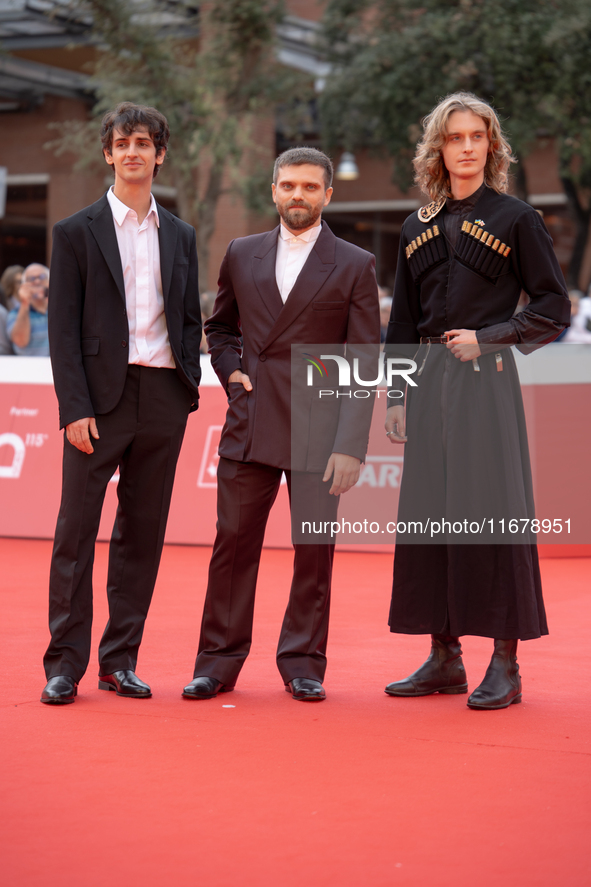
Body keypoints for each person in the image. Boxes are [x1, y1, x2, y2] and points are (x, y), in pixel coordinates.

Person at [384, 93, 570, 710]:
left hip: (485, 384)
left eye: (477, 137)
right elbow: (403, 324)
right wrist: (395, 394)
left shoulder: (517, 219)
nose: (467, 147)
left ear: (491, 146)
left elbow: (552, 309)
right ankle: (445, 657)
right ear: (439, 148)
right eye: (455, 137)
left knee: (491, 515)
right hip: (429, 383)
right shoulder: (416, 226)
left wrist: (490, 338)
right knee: (430, 516)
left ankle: (506, 662)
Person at [183, 147, 380, 702]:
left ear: (327, 194)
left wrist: (351, 446)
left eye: (310, 187)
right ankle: (217, 663)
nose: (298, 195)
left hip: (322, 432)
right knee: (233, 545)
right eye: (289, 185)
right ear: (273, 190)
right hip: (252, 420)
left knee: (313, 551)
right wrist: (232, 373)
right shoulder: (241, 252)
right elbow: (218, 328)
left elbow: (364, 363)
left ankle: (302, 663)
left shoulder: (354, 262)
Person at [41, 102, 202, 704]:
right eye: (122, 143)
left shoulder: (181, 234)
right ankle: (64, 665)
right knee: (76, 532)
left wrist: (186, 386)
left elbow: (188, 317)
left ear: (160, 153)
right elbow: (62, 330)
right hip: (97, 405)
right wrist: (73, 406)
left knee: (143, 535)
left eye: (144, 142)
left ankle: (120, 660)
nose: (132, 151)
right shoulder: (75, 232)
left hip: (163, 396)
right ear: (107, 153)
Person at [6, 264, 50, 355]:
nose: (37, 281)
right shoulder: (14, 314)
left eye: (42, 277)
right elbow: (20, 341)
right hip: (29, 367)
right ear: (23, 285)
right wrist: (25, 302)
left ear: (49, 281)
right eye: (31, 279)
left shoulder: (60, 311)